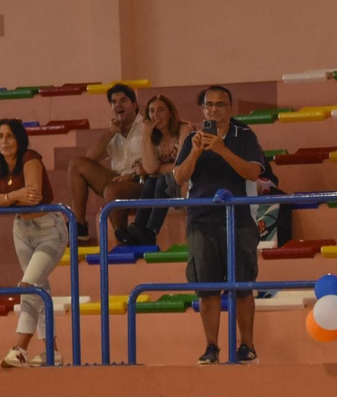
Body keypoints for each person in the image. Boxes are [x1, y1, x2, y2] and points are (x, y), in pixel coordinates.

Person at [173, 84, 266, 365]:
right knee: (208, 288)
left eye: (220, 104)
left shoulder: (245, 135)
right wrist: (197, 151)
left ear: (231, 108)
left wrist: (223, 150)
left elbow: (253, 172)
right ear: (203, 110)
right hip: (201, 220)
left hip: (239, 220)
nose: (214, 109)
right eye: (209, 105)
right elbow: (179, 177)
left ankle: (247, 346)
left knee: (242, 286)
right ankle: (211, 347)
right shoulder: (192, 139)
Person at [0, 118, 64, 368]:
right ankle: (52, 352)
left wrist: (8, 198)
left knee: (29, 285)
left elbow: (34, 197)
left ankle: (20, 348)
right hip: (21, 230)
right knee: (40, 290)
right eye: (0, 136)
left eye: (9, 136)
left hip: (49, 229)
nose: (4, 141)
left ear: (19, 139)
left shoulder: (30, 158)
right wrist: (16, 195)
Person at [68, 82, 145, 242]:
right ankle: (80, 227)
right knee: (77, 164)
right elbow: (90, 157)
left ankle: (122, 236)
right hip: (117, 180)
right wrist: (110, 132)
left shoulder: (146, 127)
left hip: (142, 181)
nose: (118, 105)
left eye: (123, 100)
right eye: (113, 102)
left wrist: (131, 177)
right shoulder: (114, 131)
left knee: (112, 190)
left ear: (134, 104)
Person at [118, 93, 190, 246]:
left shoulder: (184, 129)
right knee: (152, 181)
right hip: (164, 183)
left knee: (160, 179)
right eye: (151, 111)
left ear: (170, 113)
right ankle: (141, 229)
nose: (156, 115)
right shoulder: (152, 136)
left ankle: (151, 231)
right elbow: (151, 168)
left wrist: (155, 170)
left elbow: (180, 166)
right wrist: (145, 135)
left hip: (185, 181)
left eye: (161, 110)